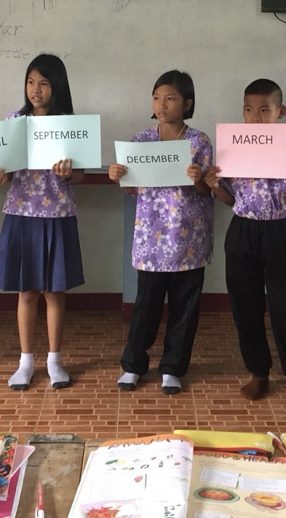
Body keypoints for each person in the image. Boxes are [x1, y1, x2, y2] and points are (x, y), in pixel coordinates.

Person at [204, 78, 286, 409]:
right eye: (248, 109)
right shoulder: (232, 149)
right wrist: (214, 185)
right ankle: (258, 372)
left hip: (280, 232)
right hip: (242, 231)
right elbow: (229, 199)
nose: (255, 117)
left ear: (279, 111)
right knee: (245, 306)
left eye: (264, 110)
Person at [109, 70, 214, 394]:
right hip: (150, 242)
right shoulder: (141, 140)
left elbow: (206, 191)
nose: (161, 104)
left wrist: (198, 177)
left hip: (188, 241)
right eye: (157, 98)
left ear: (187, 103)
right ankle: (133, 365)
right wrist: (119, 177)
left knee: (185, 309)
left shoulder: (198, 141)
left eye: (170, 98)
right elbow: (132, 191)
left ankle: (172, 368)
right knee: (145, 308)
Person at [0, 53, 84, 390]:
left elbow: (82, 174)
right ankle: (25, 361)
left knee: (54, 291)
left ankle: (55, 361)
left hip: (57, 214)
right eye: (31, 82)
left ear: (57, 86)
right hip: (21, 213)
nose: (36, 90)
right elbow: (4, 168)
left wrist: (71, 172)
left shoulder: (69, 123)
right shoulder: (15, 121)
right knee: (26, 291)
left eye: (43, 83)